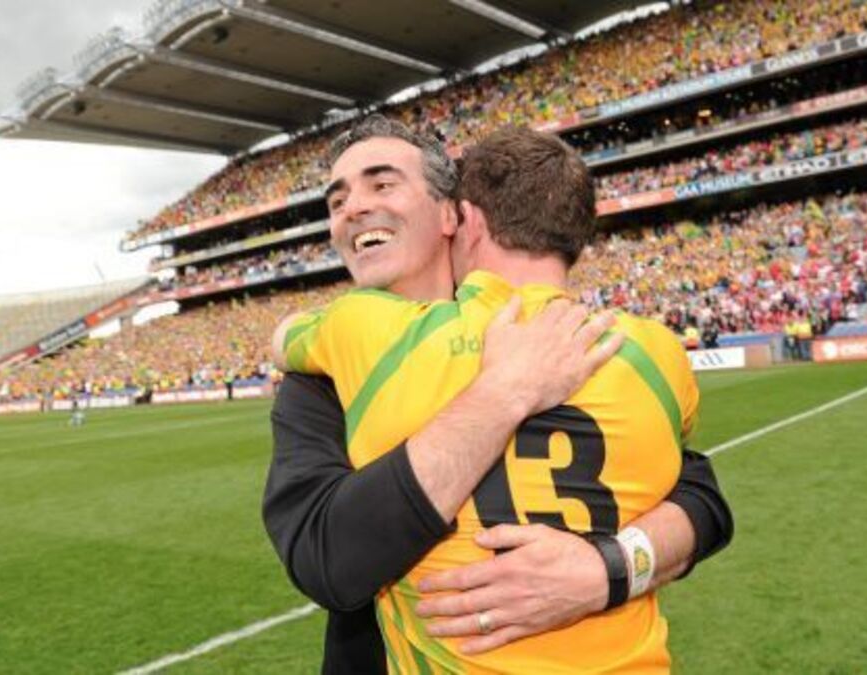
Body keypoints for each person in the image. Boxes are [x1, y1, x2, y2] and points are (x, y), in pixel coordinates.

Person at [262, 116, 731, 672]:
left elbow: (700, 498)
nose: (353, 208)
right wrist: (505, 392)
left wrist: (608, 568)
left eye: (383, 184)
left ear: (455, 216)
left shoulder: (551, 338)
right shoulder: (320, 379)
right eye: (336, 201)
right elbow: (327, 559)